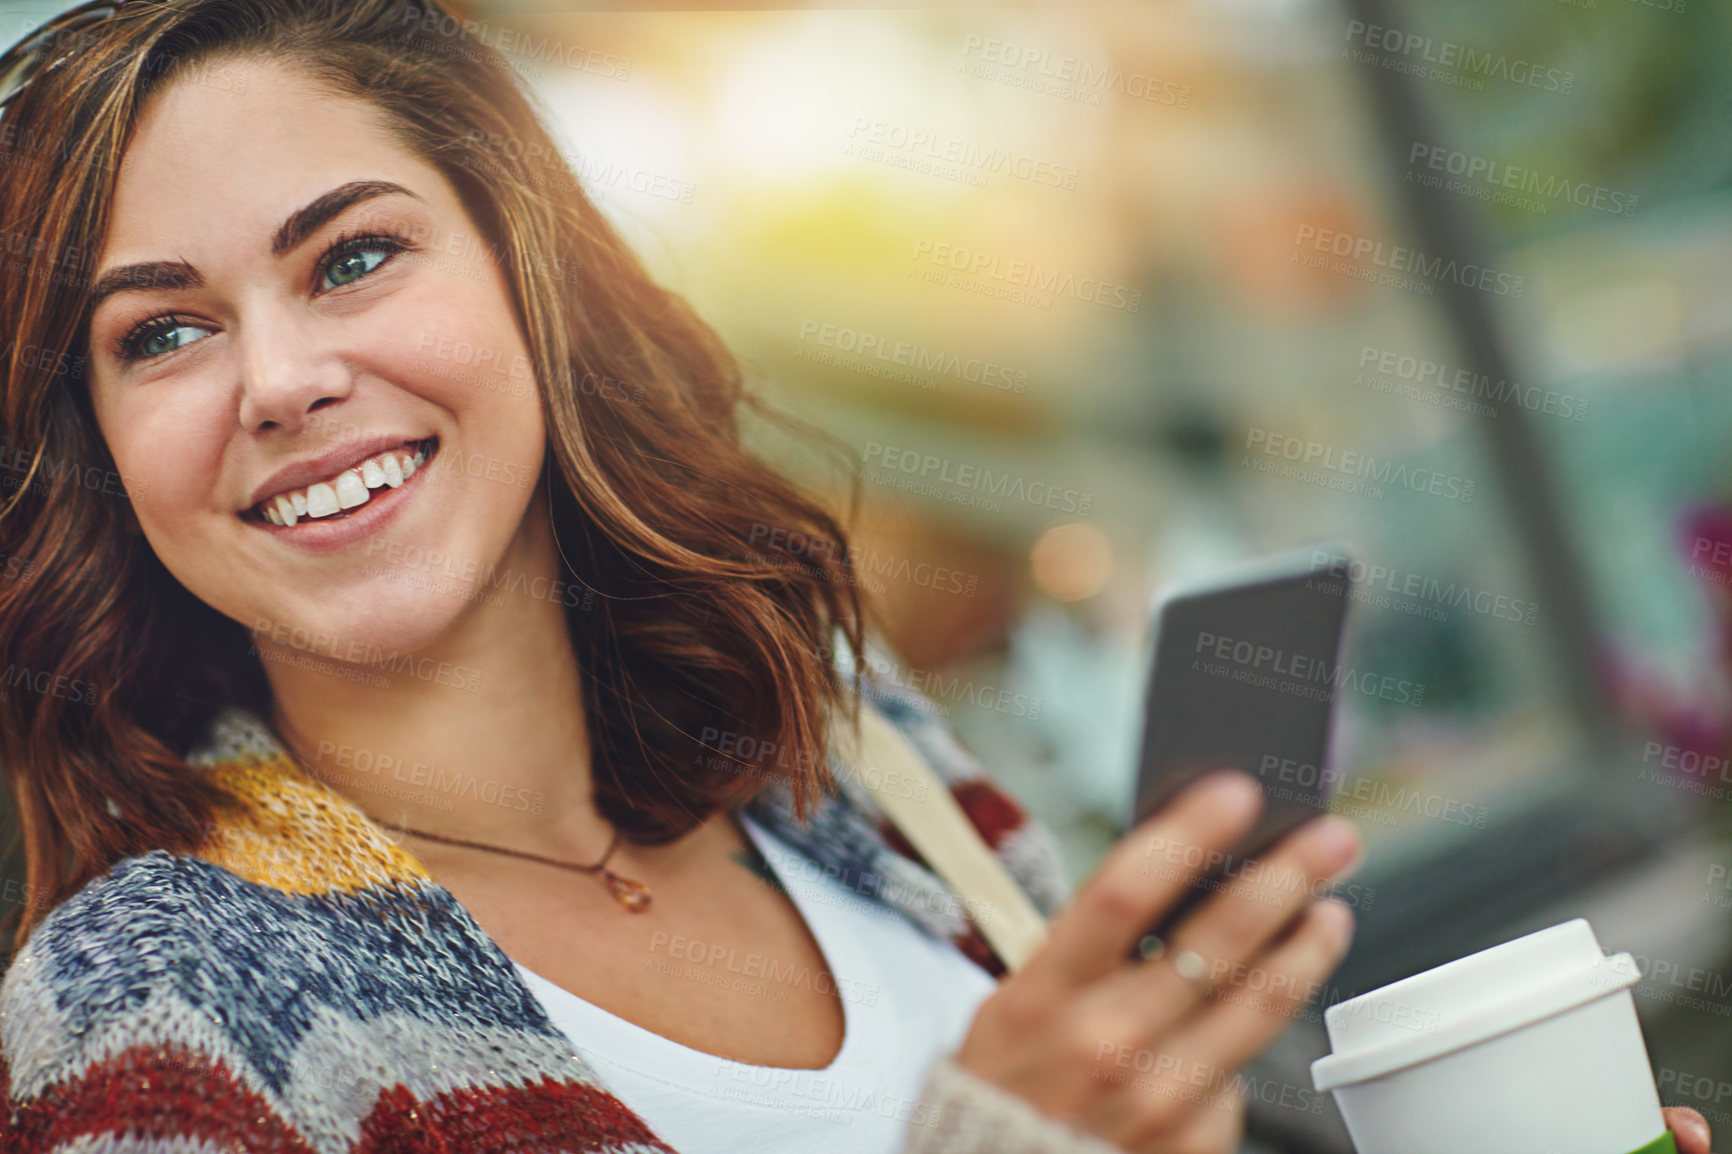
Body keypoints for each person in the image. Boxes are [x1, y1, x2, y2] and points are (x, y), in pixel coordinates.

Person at [0, 2, 1708, 1152]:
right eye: (163, 332)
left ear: (532, 282)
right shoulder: (156, 1003)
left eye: (354, 255)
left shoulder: (845, 742)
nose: (280, 378)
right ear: (99, 444)